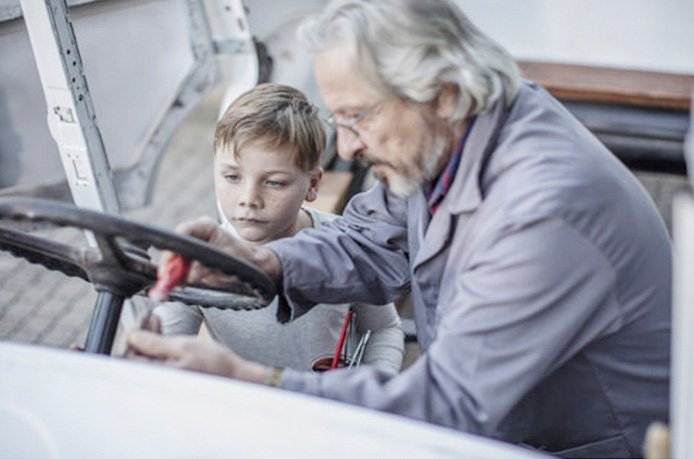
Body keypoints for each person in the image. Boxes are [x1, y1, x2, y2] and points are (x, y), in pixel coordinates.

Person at [126, 0, 671, 456]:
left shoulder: (546, 213)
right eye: (338, 121)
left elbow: (449, 403)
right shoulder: (451, 138)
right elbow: (370, 241)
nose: (345, 147)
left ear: (444, 93)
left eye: (357, 116)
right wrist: (258, 262)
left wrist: (256, 384)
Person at [154, 82, 404, 374]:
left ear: (312, 184)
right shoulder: (198, 262)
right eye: (232, 176)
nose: (249, 199)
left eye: (274, 182)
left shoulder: (345, 248)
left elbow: (384, 328)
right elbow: (164, 348)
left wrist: (375, 385)